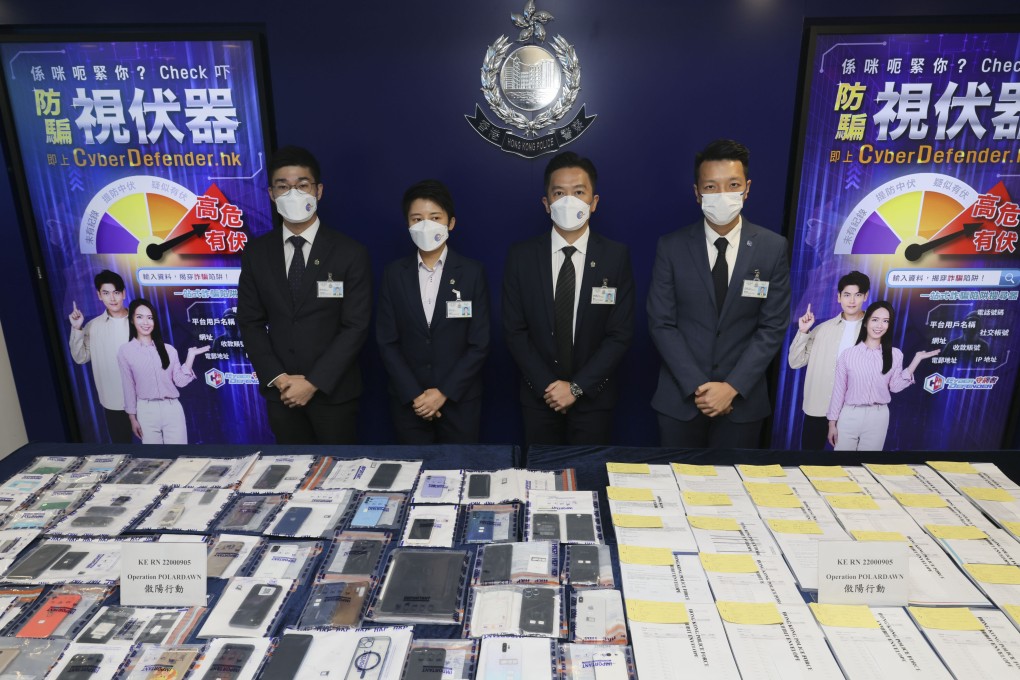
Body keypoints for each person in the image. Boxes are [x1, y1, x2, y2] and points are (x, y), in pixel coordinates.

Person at [647, 139, 791, 448]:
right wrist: (699, 387)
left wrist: (731, 387)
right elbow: (661, 323)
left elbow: (773, 326)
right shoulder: (671, 247)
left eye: (732, 185)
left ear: (746, 189)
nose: (722, 195)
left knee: (735, 492)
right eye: (711, 187)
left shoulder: (772, 247)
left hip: (742, 404)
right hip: (681, 402)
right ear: (697, 193)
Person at [237, 146, 372, 444]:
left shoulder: (350, 253)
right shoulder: (257, 254)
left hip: (333, 393)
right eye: (283, 187)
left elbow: (356, 325)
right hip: (281, 394)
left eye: (302, 185)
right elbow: (249, 321)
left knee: (337, 479)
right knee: (289, 477)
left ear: (318, 190)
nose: (293, 194)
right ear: (271, 194)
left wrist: (313, 382)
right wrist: (279, 378)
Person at [502, 151, 634, 445]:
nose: (568, 201)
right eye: (559, 193)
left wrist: (576, 388)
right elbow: (514, 330)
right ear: (546, 204)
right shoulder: (521, 256)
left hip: (594, 400)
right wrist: (549, 385)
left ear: (593, 202)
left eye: (578, 192)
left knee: (589, 482)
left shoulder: (615, 257)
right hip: (540, 398)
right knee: (537, 482)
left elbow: (620, 334)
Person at [376, 179, 490, 443]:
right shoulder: (394, 274)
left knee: (459, 475)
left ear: (451, 222)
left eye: (434, 217)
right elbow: (387, 341)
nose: (425, 225)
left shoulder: (472, 273)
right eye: (417, 219)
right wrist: (416, 395)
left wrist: (442, 394)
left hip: (459, 401)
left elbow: (479, 343)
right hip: (409, 403)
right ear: (408, 225)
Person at [826, 301, 939, 451]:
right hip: (849, 414)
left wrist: (915, 361)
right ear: (866, 322)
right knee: (842, 464)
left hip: (878, 417)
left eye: (885, 321)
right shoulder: (848, 355)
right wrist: (832, 423)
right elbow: (838, 391)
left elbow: (895, 387)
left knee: (869, 465)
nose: (880, 325)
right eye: (875, 320)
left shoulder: (895, 354)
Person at [787, 270, 870, 449]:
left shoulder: (873, 331)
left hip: (852, 410)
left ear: (866, 296)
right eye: (847, 295)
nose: (852, 300)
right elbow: (795, 362)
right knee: (810, 462)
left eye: (858, 295)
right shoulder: (822, 329)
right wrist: (803, 332)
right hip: (818, 408)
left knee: (848, 466)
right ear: (838, 297)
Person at [117, 299, 208, 444]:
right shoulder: (125, 351)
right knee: (154, 459)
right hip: (146, 410)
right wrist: (132, 418)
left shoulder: (169, 350)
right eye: (140, 317)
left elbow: (180, 382)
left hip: (172, 409)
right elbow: (128, 386)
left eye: (150, 318)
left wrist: (190, 357)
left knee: (179, 456)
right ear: (132, 320)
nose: (146, 322)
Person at [68, 270, 132, 443]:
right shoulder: (93, 326)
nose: (112, 298)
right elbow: (80, 357)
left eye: (116, 292)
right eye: (106, 293)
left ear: (124, 293)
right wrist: (76, 329)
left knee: (155, 451)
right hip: (113, 401)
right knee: (123, 450)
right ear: (99, 295)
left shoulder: (139, 320)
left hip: (144, 399)